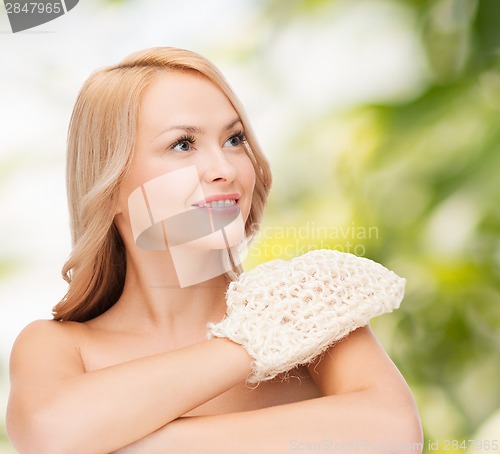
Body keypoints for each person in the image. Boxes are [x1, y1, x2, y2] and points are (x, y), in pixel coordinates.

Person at [6, 47, 423, 454]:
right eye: (183, 144)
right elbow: (49, 434)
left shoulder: (306, 310)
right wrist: (250, 344)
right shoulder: (57, 346)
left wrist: (132, 442)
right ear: (110, 185)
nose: (224, 169)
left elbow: (394, 432)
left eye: (234, 139)